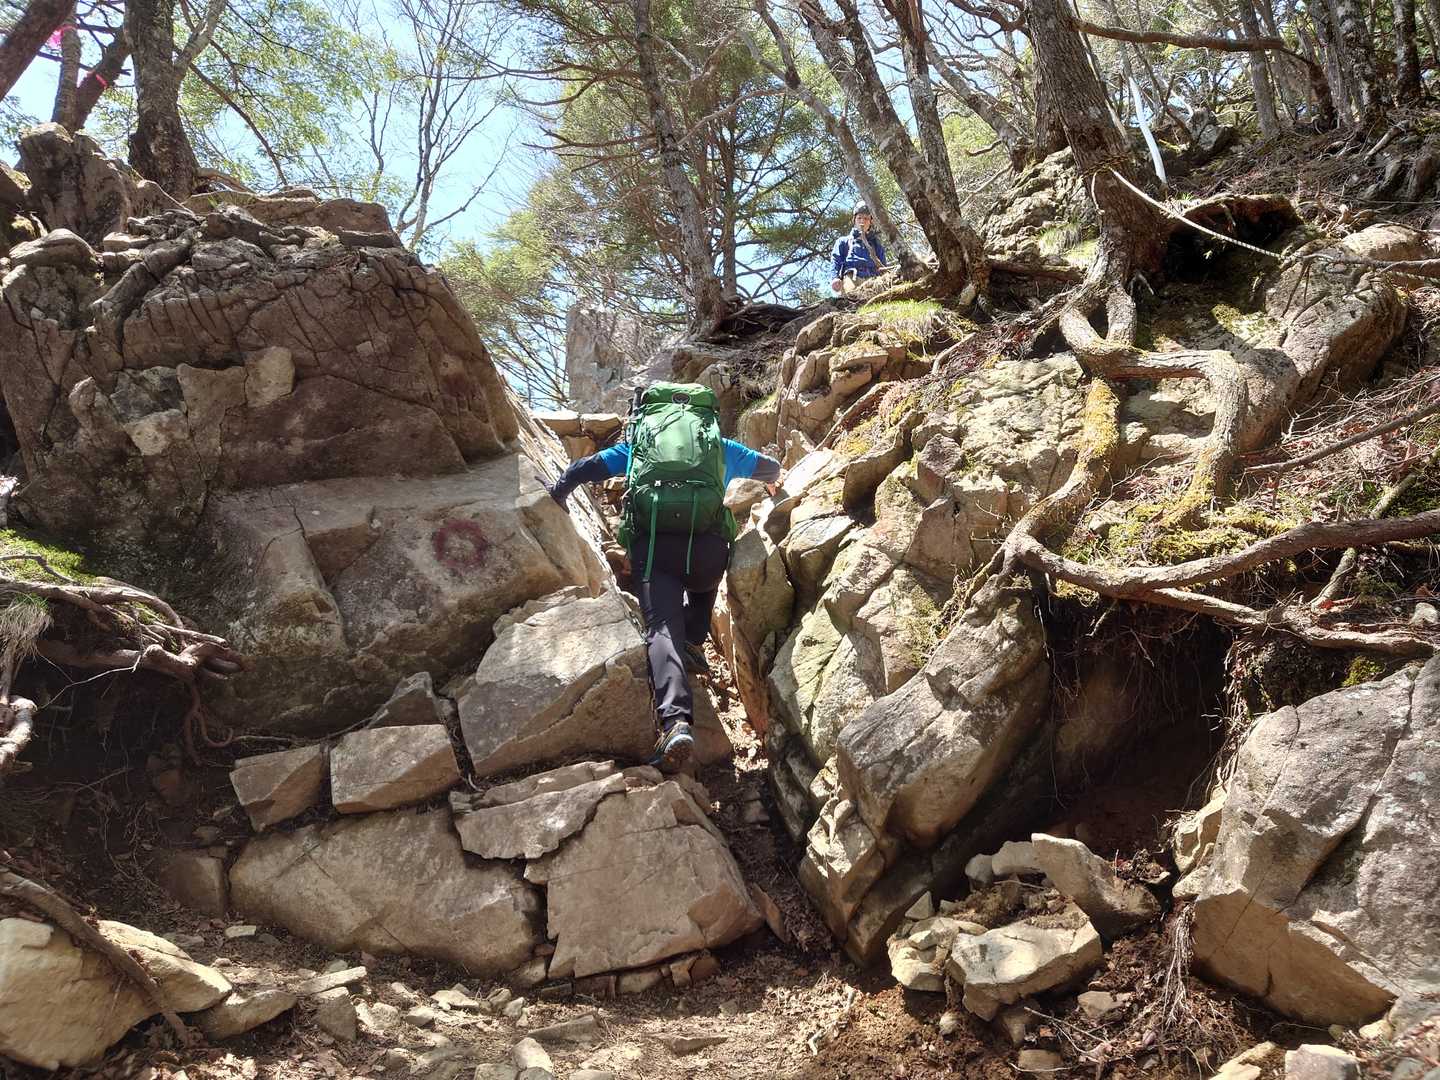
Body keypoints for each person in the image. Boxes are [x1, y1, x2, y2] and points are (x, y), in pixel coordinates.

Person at [547, 384, 782, 772]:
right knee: (704, 590)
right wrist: (771, 481)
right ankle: (694, 639)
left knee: (661, 628)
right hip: (707, 551)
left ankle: (675, 724)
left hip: (655, 548)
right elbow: (769, 467)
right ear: (704, 416)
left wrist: (557, 492)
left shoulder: (640, 446)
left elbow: (584, 469)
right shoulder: (715, 444)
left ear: (646, 417)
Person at [831, 201, 887, 294]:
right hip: (852, 277)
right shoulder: (843, 241)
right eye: (859, 218)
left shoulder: (876, 244)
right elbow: (836, 260)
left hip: (873, 279)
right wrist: (835, 278)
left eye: (866, 218)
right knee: (851, 299)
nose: (862, 221)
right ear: (854, 220)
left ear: (870, 222)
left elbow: (883, 266)